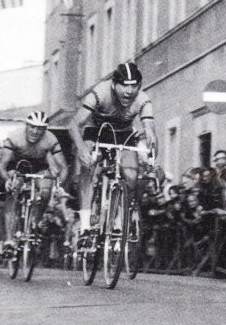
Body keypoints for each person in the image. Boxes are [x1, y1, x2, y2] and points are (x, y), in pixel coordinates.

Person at [68, 61, 158, 230]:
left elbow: (149, 128)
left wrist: (150, 148)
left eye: (134, 86)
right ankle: (86, 224)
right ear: (114, 85)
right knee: (87, 167)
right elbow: (73, 125)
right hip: (97, 131)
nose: (129, 92)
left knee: (131, 176)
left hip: (123, 135)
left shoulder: (143, 99)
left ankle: (122, 214)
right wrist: (81, 150)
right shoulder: (100, 92)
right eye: (124, 86)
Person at [0, 110, 69, 254]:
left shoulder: (50, 139)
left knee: (45, 191)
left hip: (39, 166)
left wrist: (59, 186)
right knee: (15, 188)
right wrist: (7, 180)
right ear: (26, 125)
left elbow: (63, 167)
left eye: (40, 128)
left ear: (45, 130)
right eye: (32, 127)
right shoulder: (14, 137)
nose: (35, 132)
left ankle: (35, 220)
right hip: (17, 165)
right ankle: (10, 240)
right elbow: (2, 165)